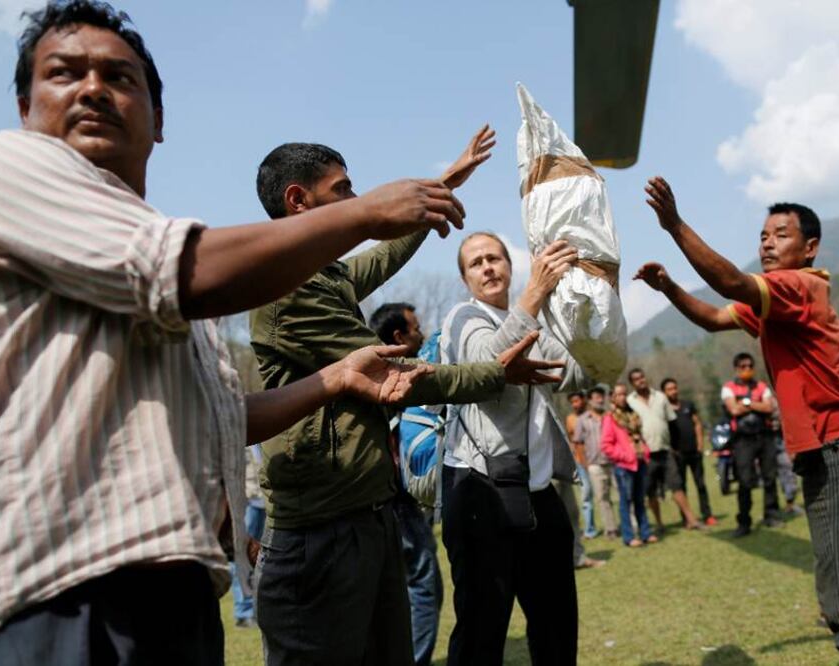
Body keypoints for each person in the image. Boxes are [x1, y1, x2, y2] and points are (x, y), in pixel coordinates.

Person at [0, 2, 468, 661]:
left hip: (175, 595)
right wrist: (364, 214)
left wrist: (334, 379)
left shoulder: (175, 285)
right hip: (61, 597)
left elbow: (227, 420)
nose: (93, 88)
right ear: (23, 108)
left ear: (158, 120)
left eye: (120, 77)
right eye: (64, 73)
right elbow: (193, 271)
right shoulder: (4, 173)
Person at [249, 138, 563, 666]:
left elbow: (384, 254)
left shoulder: (323, 275)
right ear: (298, 200)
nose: (356, 200)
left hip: (366, 512)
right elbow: (390, 376)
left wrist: (440, 189)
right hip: (320, 528)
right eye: (342, 189)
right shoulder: (288, 288)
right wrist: (495, 374)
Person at [634, 175, 839, 665]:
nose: (767, 243)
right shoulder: (781, 305)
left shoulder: (797, 286)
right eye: (763, 235)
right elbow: (715, 317)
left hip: (836, 454)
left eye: (780, 234)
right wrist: (668, 288)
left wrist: (675, 226)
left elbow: (731, 283)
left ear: (810, 248)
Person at [440, 232, 592, 665]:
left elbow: (577, 374)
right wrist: (535, 292)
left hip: (538, 492)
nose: (487, 267)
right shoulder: (463, 317)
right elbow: (487, 367)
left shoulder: (529, 321)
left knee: (556, 627)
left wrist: (594, 299)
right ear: (465, 279)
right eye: (476, 263)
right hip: (481, 492)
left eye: (494, 258)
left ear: (509, 265)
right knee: (482, 632)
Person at [370, 302, 443, 666]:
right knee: (424, 587)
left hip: (376, 506)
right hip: (398, 503)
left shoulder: (367, 375)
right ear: (399, 337)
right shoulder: (401, 382)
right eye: (415, 329)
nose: (422, 334)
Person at [627, 369, 702, 531]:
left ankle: (692, 520)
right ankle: (659, 524)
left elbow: (672, 423)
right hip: (646, 454)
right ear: (632, 383)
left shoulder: (660, 397)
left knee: (677, 486)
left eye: (642, 377)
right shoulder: (629, 402)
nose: (641, 380)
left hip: (665, 450)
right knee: (651, 490)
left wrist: (675, 446)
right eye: (636, 379)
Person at [721, 353, 782, 537]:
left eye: (750, 366)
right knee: (745, 480)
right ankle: (744, 522)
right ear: (736, 368)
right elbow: (733, 409)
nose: (747, 369)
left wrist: (746, 403)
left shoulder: (761, 386)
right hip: (742, 439)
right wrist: (757, 404)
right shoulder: (728, 388)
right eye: (743, 366)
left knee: (770, 477)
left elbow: (769, 407)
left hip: (764, 435)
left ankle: (771, 515)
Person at [601, 384, 656, 547]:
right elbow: (606, 445)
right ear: (612, 397)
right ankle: (629, 537)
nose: (622, 397)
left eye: (624, 394)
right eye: (618, 395)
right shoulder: (610, 418)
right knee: (626, 501)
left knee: (640, 499)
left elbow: (639, 436)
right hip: (624, 466)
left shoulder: (633, 414)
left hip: (640, 462)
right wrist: (625, 456)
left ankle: (645, 533)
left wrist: (645, 452)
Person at [661, 378, 715, 526]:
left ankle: (707, 515)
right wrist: (672, 449)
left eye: (674, 388)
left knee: (701, 484)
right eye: (669, 389)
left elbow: (697, 423)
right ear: (664, 392)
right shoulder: (664, 411)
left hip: (694, 451)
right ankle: (686, 518)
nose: (673, 391)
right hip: (678, 454)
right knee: (681, 486)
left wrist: (700, 444)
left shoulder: (687, 405)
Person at [232, 444, 269, 628]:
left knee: (258, 557)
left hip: (263, 500)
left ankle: (254, 608)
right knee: (242, 556)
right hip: (247, 501)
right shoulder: (242, 440)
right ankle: (244, 611)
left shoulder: (261, 442)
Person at [574, 387, 618, 539]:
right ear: (589, 400)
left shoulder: (610, 416)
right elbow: (578, 443)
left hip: (614, 462)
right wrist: (585, 464)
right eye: (597, 397)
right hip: (594, 464)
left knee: (622, 495)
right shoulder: (582, 420)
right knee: (602, 498)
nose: (600, 400)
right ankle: (611, 529)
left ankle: (631, 525)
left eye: (601, 397)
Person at [565, 391, 599, 539]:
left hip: (597, 460)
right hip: (580, 462)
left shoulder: (593, 415)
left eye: (577, 401)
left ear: (584, 400)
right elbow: (571, 440)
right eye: (572, 402)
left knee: (603, 495)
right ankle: (590, 529)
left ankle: (611, 527)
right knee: (586, 495)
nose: (575, 405)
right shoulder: (570, 419)